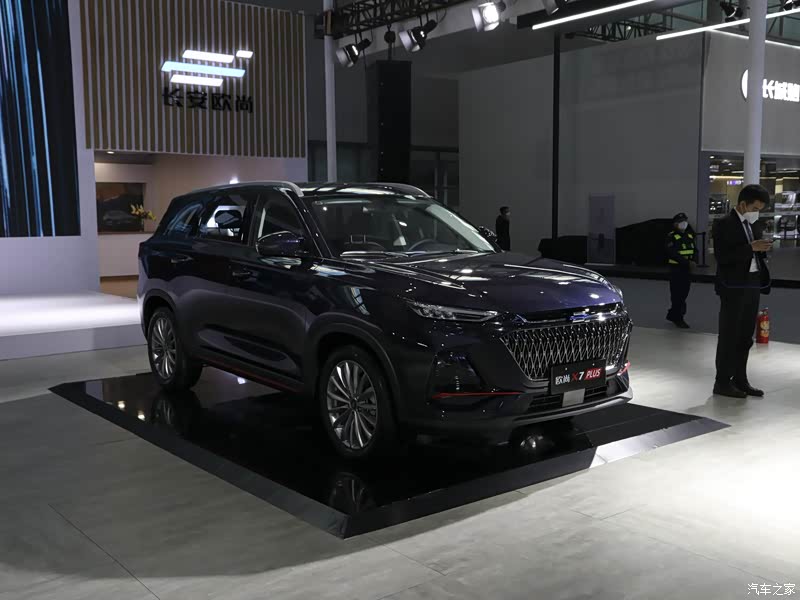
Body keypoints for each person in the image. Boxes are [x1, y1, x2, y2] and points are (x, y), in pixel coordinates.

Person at [713, 184, 772, 399]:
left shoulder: (752, 225)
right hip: (733, 286)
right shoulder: (724, 224)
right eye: (755, 208)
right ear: (743, 204)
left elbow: (753, 252)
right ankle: (722, 382)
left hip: (753, 283)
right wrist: (751, 248)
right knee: (730, 334)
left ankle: (740, 379)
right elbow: (723, 257)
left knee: (746, 336)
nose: (756, 212)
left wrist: (762, 249)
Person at [665, 213, 697, 329]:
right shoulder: (671, 237)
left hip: (687, 270)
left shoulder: (689, 236)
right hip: (676, 270)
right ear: (675, 224)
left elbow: (695, 250)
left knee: (684, 294)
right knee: (677, 295)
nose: (684, 223)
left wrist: (694, 261)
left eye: (685, 221)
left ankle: (673, 315)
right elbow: (672, 253)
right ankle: (678, 318)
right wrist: (687, 262)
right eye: (681, 221)